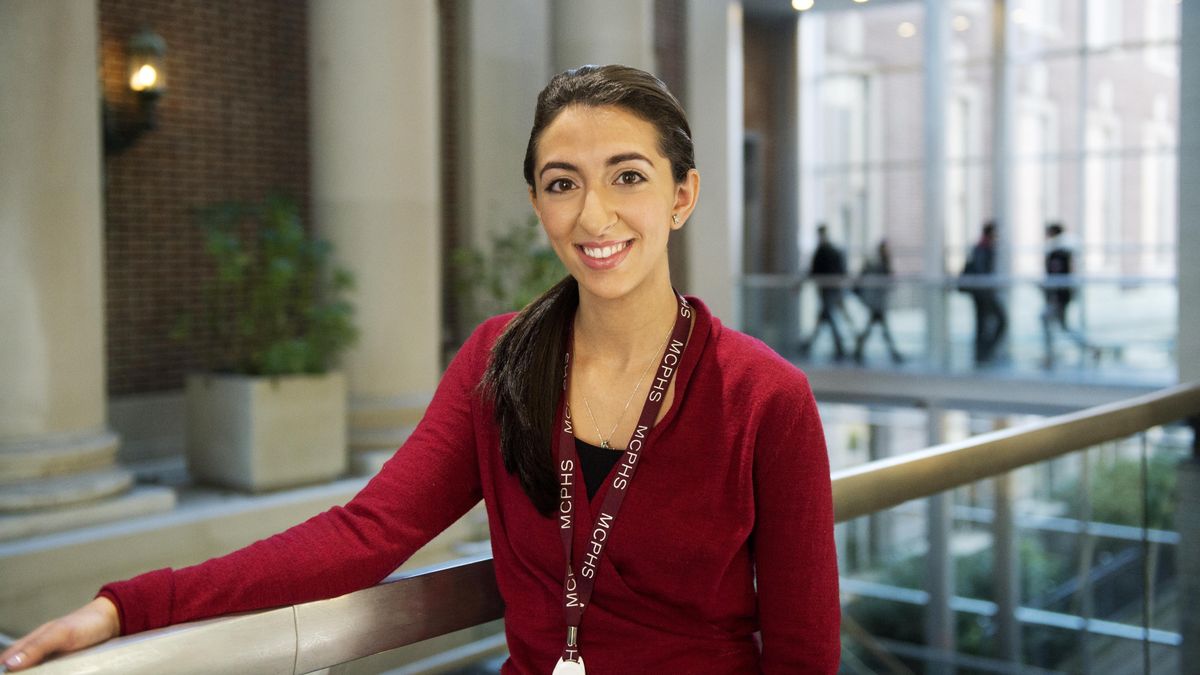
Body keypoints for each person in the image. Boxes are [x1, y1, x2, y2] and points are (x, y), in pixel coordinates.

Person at [2, 65, 840, 674]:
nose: (595, 214)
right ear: (538, 203)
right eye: (562, 183)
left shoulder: (765, 397)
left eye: (629, 176)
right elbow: (366, 535)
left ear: (683, 195)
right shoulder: (499, 360)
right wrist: (128, 606)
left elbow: (804, 654)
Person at [1040, 222, 1089, 368]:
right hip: (1059, 296)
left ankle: (1050, 355)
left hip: (1058, 297)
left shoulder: (1059, 253)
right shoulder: (1062, 251)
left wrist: (1054, 296)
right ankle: (1088, 347)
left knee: (1053, 323)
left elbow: (1058, 276)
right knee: (1062, 326)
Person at [798, 224, 850, 361]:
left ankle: (837, 346)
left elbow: (814, 270)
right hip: (831, 289)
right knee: (825, 317)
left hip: (827, 289)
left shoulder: (824, 250)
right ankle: (836, 346)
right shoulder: (831, 250)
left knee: (827, 317)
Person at [960, 221, 1006, 365]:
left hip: (982, 291)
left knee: (982, 323)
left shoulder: (983, 247)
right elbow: (982, 271)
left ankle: (982, 354)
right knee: (999, 320)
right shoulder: (982, 248)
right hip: (983, 292)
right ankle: (984, 353)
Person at [852, 239, 903, 364]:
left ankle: (859, 350)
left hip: (877, 302)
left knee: (873, 328)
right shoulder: (879, 264)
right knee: (880, 329)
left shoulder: (881, 263)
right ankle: (893, 353)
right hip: (876, 303)